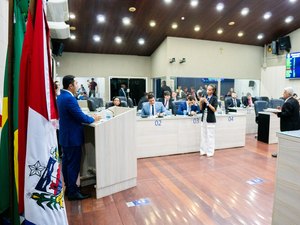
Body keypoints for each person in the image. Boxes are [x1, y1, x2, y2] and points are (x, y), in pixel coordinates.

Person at [57, 75, 101, 200]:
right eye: (76, 83)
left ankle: (69, 188)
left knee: (66, 163)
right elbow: (80, 117)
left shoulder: (61, 96)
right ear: (70, 86)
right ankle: (72, 192)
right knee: (73, 164)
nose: (77, 85)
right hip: (72, 137)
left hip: (65, 136)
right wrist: (93, 118)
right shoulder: (69, 98)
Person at [272, 87, 300, 157]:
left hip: (288, 125)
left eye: (284, 92)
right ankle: (289, 154)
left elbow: (287, 114)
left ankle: (281, 153)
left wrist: (278, 113)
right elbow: (291, 112)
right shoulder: (295, 101)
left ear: (288, 93)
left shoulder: (288, 102)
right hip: (295, 125)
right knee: (291, 142)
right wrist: (281, 109)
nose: (283, 94)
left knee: (284, 140)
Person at [199, 84, 218, 157]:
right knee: (203, 135)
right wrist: (201, 102)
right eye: (207, 89)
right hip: (204, 118)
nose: (208, 91)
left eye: (210, 90)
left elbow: (214, 109)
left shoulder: (214, 98)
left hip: (210, 118)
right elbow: (201, 109)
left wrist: (207, 102)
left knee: (210, 136)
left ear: (213, 91)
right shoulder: (205, 97)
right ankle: (203, 150)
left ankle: (210, 152)